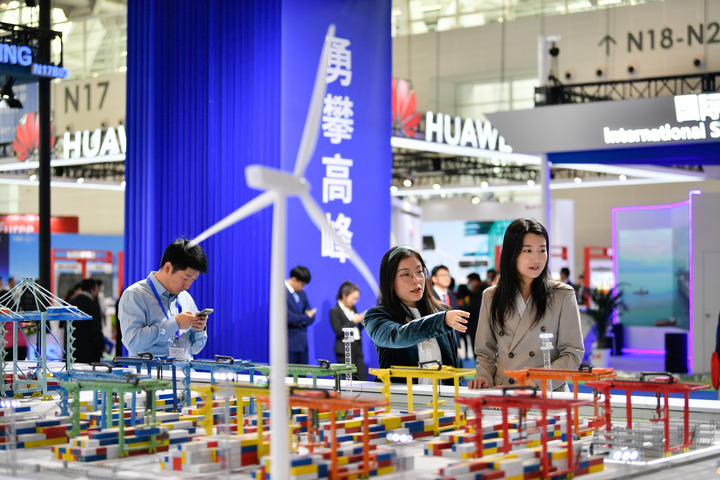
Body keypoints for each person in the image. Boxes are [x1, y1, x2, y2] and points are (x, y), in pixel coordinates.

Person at [468, 219, 584, 391]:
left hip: (548, 393)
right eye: (528, 250)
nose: (536, 258)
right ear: (511, 253)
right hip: (505, 391)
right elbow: (485, 353)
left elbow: (573, 353)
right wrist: (483, 377)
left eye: (542, 250)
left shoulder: (562, 295)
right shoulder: (491, 296)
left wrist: (536, 381)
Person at [364, 246, 468, 384]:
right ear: (390, 280)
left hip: (441, 397)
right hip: (399, 397)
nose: (416, 280)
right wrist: (440, 321)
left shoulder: (441, 311)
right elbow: (396, 336)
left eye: (419, 272)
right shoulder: (377, 316)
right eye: (406, 274)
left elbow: (452, 367)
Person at [118, 239, 209, 359]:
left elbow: (195, 349)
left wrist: (199, 329)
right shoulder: (135, 295)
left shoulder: (185, 298)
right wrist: (175, 323)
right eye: (186, 278)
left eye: (193, 280)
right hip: (151, 371)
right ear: (168, 268)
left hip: (184, 370)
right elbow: (133, 343)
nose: (187, 286)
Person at [329, 281, 366, 380]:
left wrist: (362, 321)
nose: (354, 302)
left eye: (356, 299)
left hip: (357, 346)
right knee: (349, 379)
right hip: (344, 349)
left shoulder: (353, 308)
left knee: (361, 377)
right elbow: (338, 330)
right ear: (344, 295)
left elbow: (356, 329)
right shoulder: (335, 311)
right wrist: (353, 321)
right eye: (353, 298)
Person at [69, 278, 105, 364]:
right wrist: (101, 346)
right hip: (89, 352)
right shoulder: (92, 304)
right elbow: (96, 328)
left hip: (72, 350)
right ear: (92, 290)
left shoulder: (72, 302)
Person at [285, 265, 316, 365]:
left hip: (303, 344)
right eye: (302, 284)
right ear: (294, 279)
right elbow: (287, 318)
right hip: (288, 344)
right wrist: (305, 317)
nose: (303, 287)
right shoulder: (280, 292)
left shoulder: (302, 294)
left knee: (303, 373)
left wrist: (299, 319)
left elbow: (312, 316)